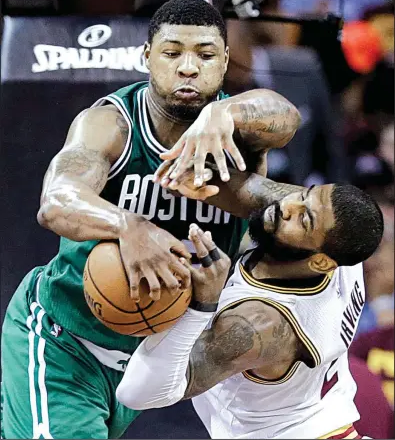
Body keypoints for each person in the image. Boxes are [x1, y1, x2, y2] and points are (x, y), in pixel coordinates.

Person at [0, 0, 301, 439]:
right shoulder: (111, 124)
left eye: (204, 55)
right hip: (65, 340)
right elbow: (58, 200)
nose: (187, 67)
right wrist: (129, 226)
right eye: (172, 52)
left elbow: (285, 116)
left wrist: (223, 112)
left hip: (146, 361)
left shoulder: (240, 129)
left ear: (224, 61)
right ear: (146, 57)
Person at [116, 165, 384, 439]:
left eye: (304, 219)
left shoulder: (256, 326)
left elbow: (137, 393)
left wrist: (202, 305)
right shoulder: (339, 247)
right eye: (305, 194)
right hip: (330, 424)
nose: (288, 205)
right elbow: (255, 190)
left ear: (320, 261)